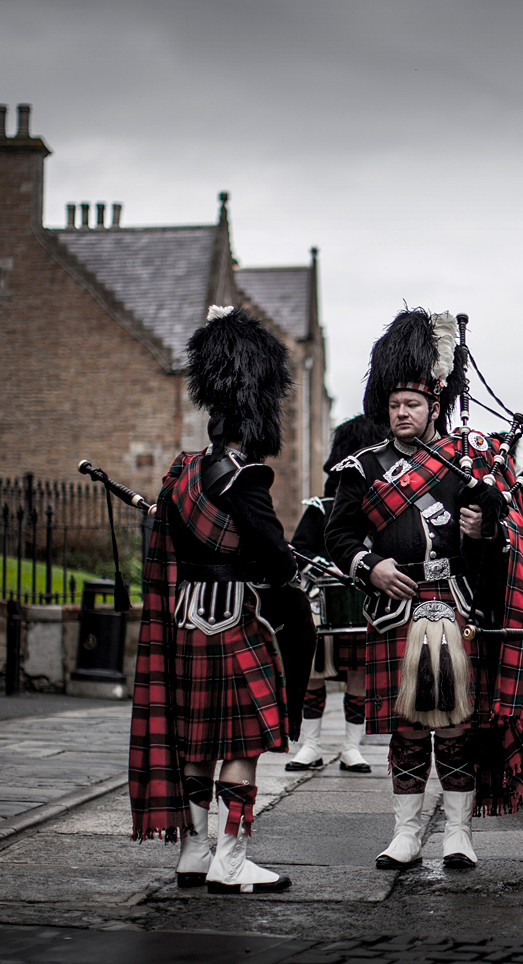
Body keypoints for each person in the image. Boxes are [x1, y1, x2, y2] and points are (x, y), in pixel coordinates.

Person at [325, 308, 523, 871]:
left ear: (433, 407)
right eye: (395, 405)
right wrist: (369, 565)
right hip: (395, 609)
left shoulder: (467, 462)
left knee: (455, 727)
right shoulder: (362, 470)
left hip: (455, 607)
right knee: (406, 729)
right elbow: (339, 534)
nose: (402, 413)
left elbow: (506, 534)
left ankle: (457, 834)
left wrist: (486, 529)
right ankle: (404, 834)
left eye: (413, 405)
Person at [129, 305, 308, 894]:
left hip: (185, 617)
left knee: (196, 740)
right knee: (244, 740)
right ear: (254, 420)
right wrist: (288, 568)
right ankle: (231, 863)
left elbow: (182, 545)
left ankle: (192, 852)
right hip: (231, 617)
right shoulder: (245, 476)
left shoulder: (182, 475)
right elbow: (274, 556)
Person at [286, 414, 392, 773]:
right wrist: (322, 564)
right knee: (315, 673)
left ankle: (351, 748)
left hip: (363, 605)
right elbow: (299, 549)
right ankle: (310, 745)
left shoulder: (382, 510)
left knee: (359, 676)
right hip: (322, 603)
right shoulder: (321, 506)